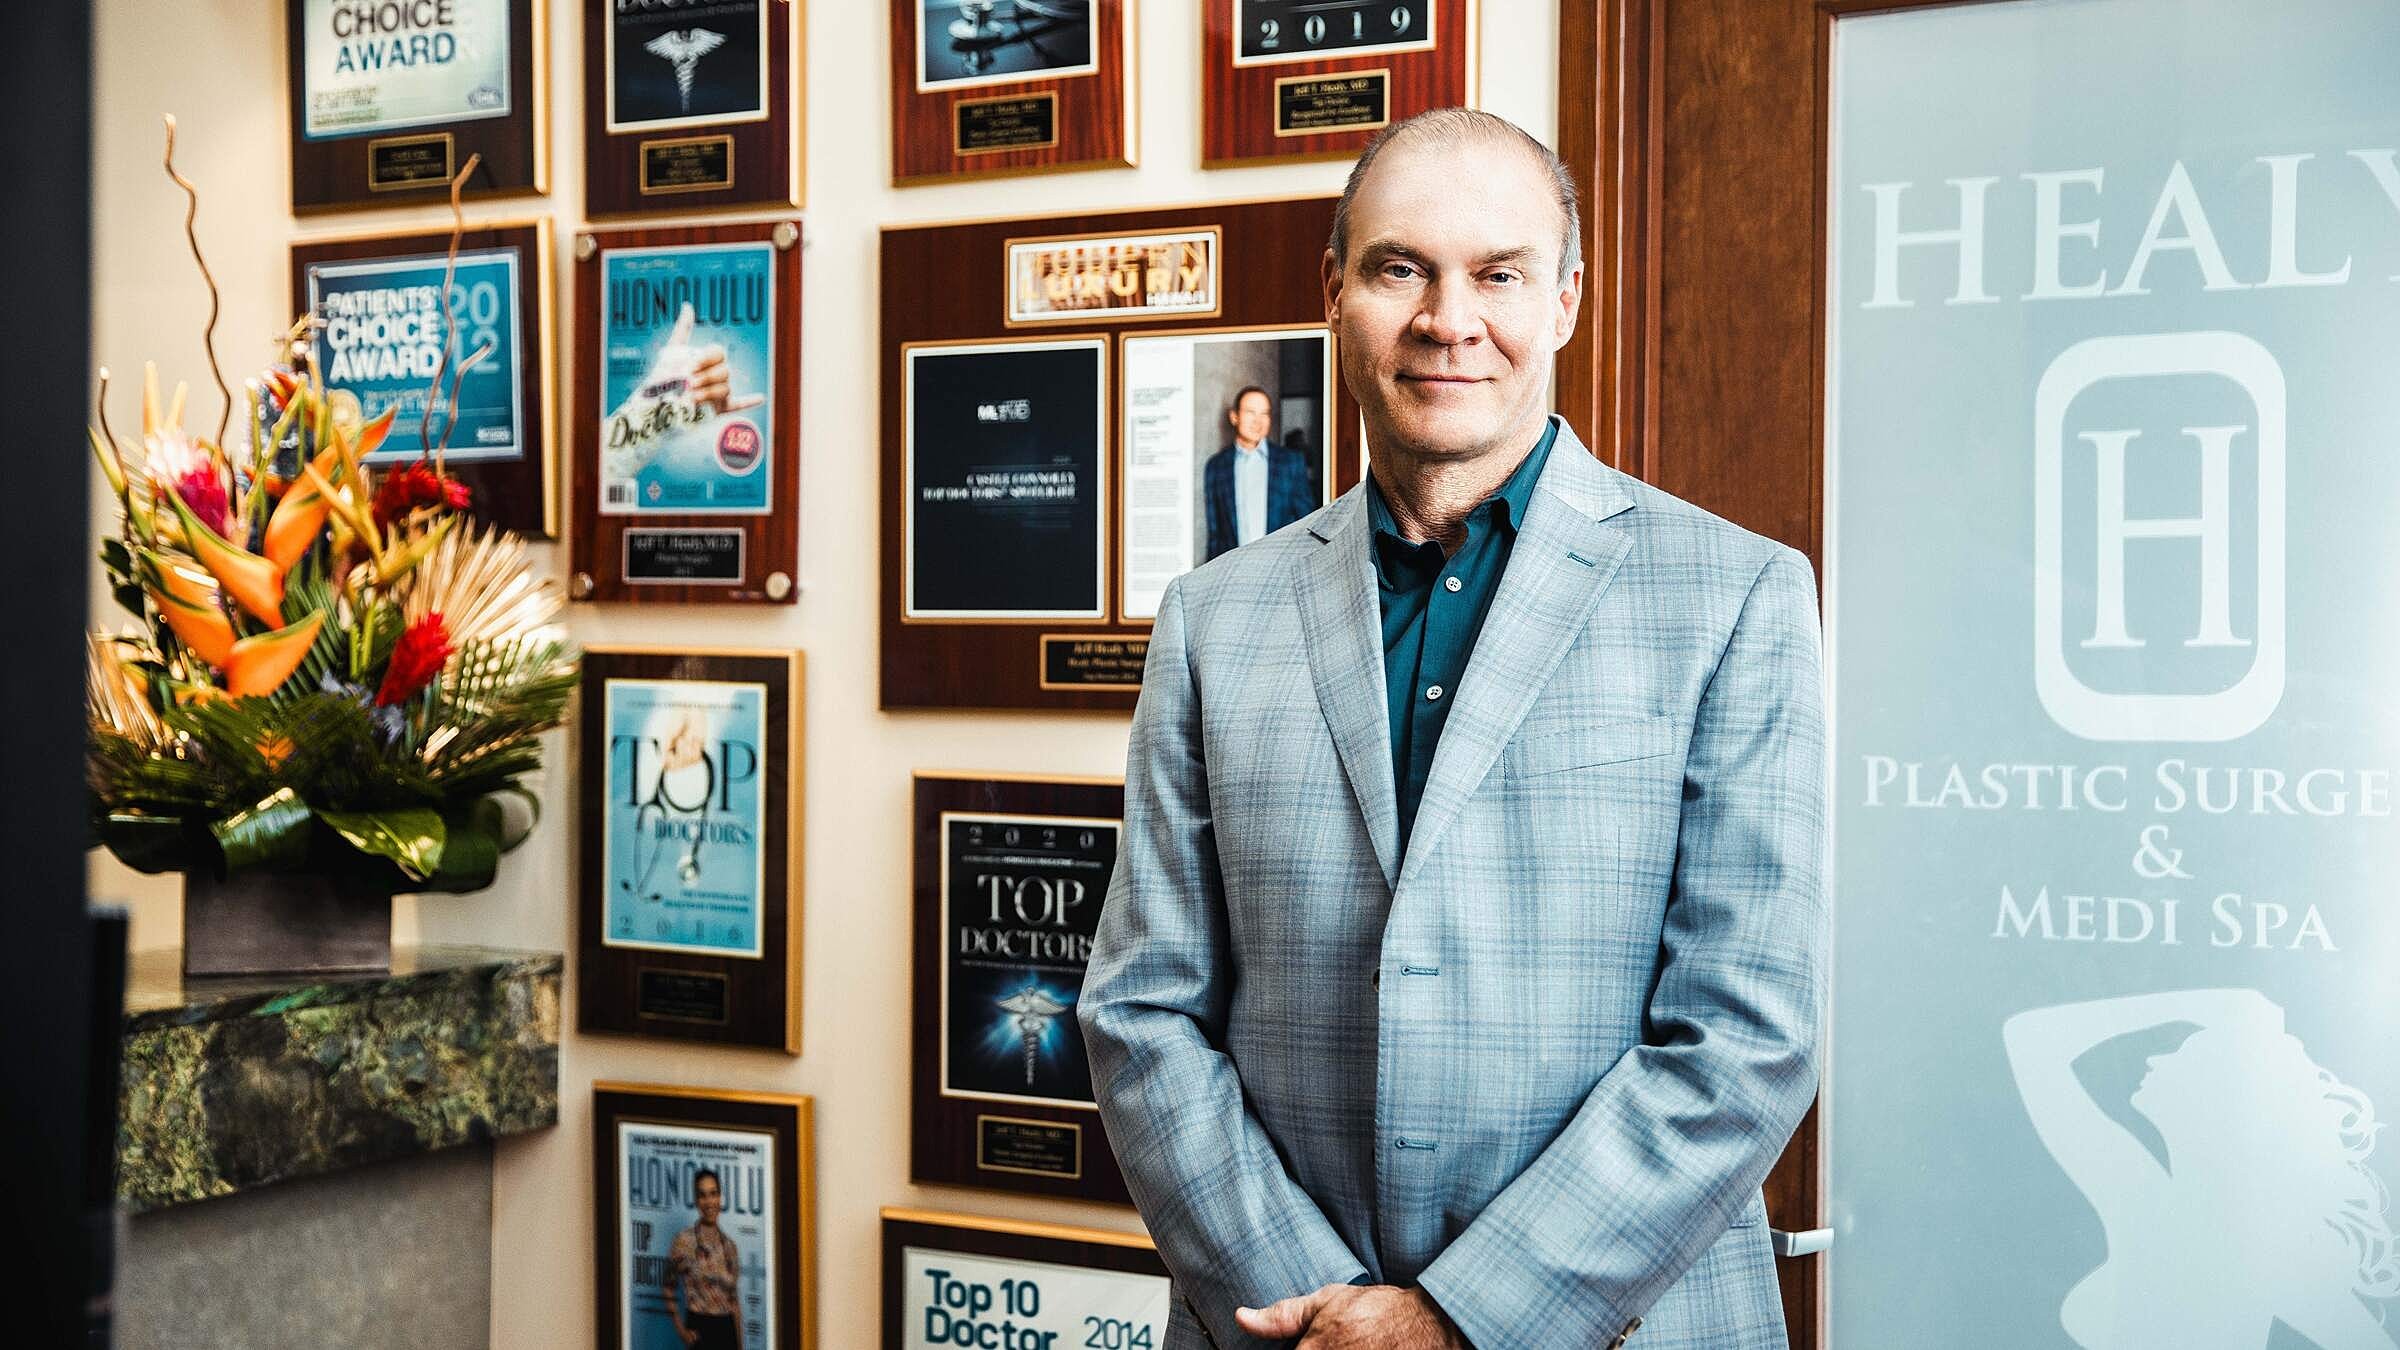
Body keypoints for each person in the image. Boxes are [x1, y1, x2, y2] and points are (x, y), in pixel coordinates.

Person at [1078, 107, 1828, 1350]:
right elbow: (1143, 1009)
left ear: (1568, 301)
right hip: (1281, 1328)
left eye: (1500, 274)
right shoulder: (1215, 618)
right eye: (1399, 268)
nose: (1448, 319)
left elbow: (1746, 1037)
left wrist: (1454, 1322)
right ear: (1335, 292)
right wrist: (1324, 1318)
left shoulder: (1735, 595)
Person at [2003, 989, 2400, 1349]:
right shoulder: (2142, 1192)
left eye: (2185, 1052)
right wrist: (2204, 1006)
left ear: (2218, 1096)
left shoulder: (2258, 1247)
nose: (2154, 1057)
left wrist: (2208, 1007)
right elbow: (2030, 1040)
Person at [1201, 386, 1318, 561]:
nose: (1258, 421)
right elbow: (1215, 532)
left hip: (1280, 569)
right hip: (1233, 572)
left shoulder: (1290, 462)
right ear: (1234, 417)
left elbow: (1306, 521)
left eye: (1264, 414)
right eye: (1250, 412)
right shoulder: (1216, 466)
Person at [663, 1168, 743, 1350]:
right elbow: (668, 1287)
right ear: (697, 1200)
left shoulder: (730, 1247)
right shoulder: (684, 1241)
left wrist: (740, 1345)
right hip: (700, 1327)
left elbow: (734, 1302)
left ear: (720, 1197)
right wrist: (681, 1330)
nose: (709, 1202)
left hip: (727, 1329)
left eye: (713, 1194)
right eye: (703, 1195)